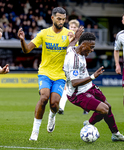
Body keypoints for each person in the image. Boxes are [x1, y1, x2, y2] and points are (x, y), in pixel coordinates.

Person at [17, 7, 83, 141]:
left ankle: (52, 117)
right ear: (52, 18)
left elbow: (74, 51)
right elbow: (27, 50)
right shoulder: (43, 33)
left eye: (64, 19)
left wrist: (75, 39)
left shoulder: (69, 33)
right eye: (59, 18)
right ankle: (34, 132)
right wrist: (22, 40)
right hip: (45, 72)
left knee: (54, 105)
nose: (61, 21)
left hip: (60, 75)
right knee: (44, 98)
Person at [64, 32, 124, 142]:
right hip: (77, 94)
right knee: (104, 110)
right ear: (83, 45)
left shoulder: (73, 49)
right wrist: (93, 76)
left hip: (88, 87)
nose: (92, 50)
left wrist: (76, 38)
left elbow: (70, 45)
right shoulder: (74, 60)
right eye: (91, 47)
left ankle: (116, 134)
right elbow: (74, 83)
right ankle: (89, 124)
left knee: (108, 107)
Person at [58, 19, 88, 115]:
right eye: (71, 27)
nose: (73, 29)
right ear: (68, 27)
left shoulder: (81, 40)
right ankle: (61, 108)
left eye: (75, 27)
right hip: (68, 66)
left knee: (83, 88)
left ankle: (86, 107)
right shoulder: (65, 38)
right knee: (67, 88)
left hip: (79, 67)